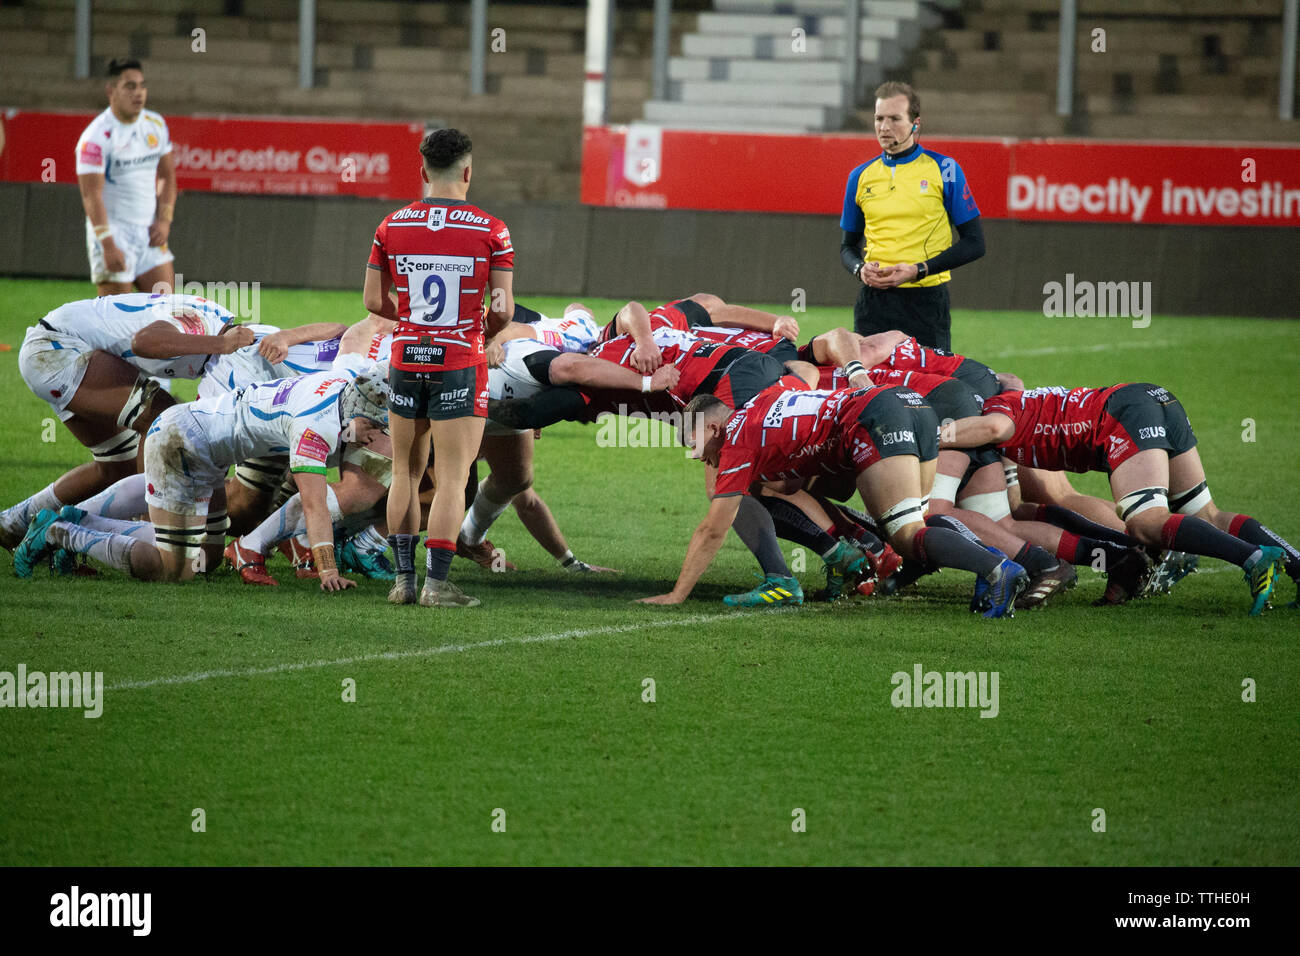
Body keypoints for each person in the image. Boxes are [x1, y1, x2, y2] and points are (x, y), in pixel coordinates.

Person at [637, 385, 1029, 617]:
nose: (701, 458)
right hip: (912, 405)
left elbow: (712, 529)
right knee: (921, 520)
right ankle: (990, 567)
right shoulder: (759, 406)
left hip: (874, 417)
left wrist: (677, 595)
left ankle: (998, 569)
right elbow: (797, 476)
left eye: (696, 445)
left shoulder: (736, 441)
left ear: (714, 426)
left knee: (906, 534)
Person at [943, 384, 1296, 614]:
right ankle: (1296, 566)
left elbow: (993, 428)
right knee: (1205, 513)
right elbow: (1016, 499)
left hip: (1120, 416)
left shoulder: (994, 413)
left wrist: (935, 437)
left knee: (1144, 522)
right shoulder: (1012, 400)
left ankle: (1253, 558)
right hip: (1154, 398)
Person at [14, 370, 389, 586]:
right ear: (358, 412)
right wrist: (328, 570)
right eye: (373, 426)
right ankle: (58, 532)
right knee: (173, 570)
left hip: (202, 445)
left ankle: (80, 522)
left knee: (204, 560)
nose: (374, 436)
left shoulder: (342, 383)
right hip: (183, 444)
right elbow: (313, 503)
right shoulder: (315, 430)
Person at [363, 128, 514, 608]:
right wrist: (483, 333)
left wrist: (408, 319)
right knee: (452, 476)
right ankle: (436, 585)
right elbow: (505, 308)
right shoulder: (491, 230)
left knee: (406, 471)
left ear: (423, 171)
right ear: (467, 172)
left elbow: (371, 300)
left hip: (406, 356)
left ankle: (403, 582)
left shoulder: (390, 226)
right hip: (459, 359)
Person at [1, 293, 251, 553]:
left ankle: (15, 522)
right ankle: (151, 531)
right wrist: (222, 343)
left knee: (117, 467)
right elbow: (144, 342)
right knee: (160, 416)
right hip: (57, 349)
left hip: (52, 349)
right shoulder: (201, 324)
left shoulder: (209, 322)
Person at [839, 82, 984, 351]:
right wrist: (860, 270)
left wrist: (918, 270)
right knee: (874, 390)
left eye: (895, 118)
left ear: (915, 124)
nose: (884, 127)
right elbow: (847, 247)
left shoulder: (945, 169)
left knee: (930, 387)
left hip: (925, 303)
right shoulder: (859, 177)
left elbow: (975, 243)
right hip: (874, 304)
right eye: (879, 118)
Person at [75, 58, 177, 298]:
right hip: (114, 234)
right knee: (114, 323)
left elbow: (167, 176)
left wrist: (164, 221)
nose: (138, 93)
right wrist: (108, 245)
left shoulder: (155, 125)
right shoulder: (96, 137)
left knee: (166, 313)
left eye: (142, 86)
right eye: (130, 86)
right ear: (111, 91)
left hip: (149, 233)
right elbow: (91, 195)